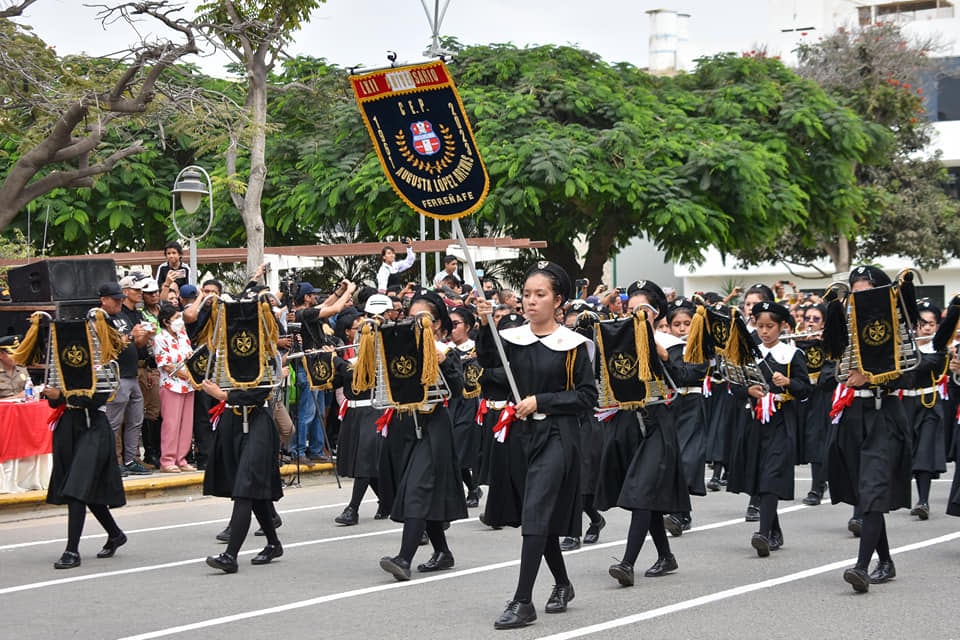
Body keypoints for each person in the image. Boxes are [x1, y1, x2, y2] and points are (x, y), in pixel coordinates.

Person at [476, 261, 597, 630]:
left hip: (557, 435)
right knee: (536, 517)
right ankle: (562, 583)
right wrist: (485, 326)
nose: (530, 301)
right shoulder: (512, 338)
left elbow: (586, 396)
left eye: (540, 294)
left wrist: (542, 401)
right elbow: (489, 366)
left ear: (558, 300)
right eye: (527, 294)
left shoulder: (573, 345)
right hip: (520, 436)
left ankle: (522, 601)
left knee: (536, 512)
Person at [824, 265, 913, 593]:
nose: (859, 301)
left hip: (883, 414)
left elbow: (907, 373)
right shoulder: (846, 326)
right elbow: (830, 370)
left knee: (873, 489)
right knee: (865, 493)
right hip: (853, 414)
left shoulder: (896, 326)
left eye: (866, 294)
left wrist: (870, 375)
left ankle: (861, 567)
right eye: (855, 294)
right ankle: (885, 561)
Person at [375, 290, 467, 582]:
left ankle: (404, 558)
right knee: (420, 488)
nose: (414, 322)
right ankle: (442, 551)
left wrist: (441, 361)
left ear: (437, 324)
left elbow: (458, 388)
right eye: (411, 317)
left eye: (422, 318)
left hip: (433, 424)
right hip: (405, 424)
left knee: (418, 487)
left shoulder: (446, 352)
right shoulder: (400, 348)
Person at [606, 280, 688, 587]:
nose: (635, 314)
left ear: (656, 313)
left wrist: (663, 357)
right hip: (631, 421)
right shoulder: (619, 338)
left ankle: (627, 563)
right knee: (645, 494)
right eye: (630, 309)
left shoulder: (670, 343)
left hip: (659, 422)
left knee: (641, 491)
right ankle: (666, 555)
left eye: (642, 309)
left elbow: (686, 377)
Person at [727, 300, 810, 557]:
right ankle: (774, 530)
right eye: (760, 326)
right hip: (755, 422)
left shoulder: (792, 354)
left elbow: (806, 389)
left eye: (770, 326)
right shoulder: (750, 354)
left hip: (781, 420)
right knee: (759, 473)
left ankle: (763, 533)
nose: (764, 331)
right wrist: (748, 391)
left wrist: (788, 382)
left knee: (771, 474)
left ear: (782, 326)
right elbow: (734, 386)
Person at [100, 280, 152, 476]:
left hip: (131, 374)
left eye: (120, 299)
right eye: (115, 300)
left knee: (135, 420)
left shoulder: (121, 315)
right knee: (113, 422)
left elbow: (135, 344)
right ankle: (112, 461)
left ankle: (130, 460)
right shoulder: (100, 317)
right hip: (116, 376)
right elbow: (108, 345)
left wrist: (144, 335)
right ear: (103, 300)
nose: (119, 303)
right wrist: (131, 335)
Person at [153, 302, 196, 473]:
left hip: (188, 385)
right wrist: (187, 375)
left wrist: (193, 376)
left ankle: (181, 458)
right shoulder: (160, 338)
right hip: (171, 385)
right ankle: (167, 460)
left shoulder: (183, 335)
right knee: (171, 423)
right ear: (166, 321)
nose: (180, 320)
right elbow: (166, 364)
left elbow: (190, 356)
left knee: (186, 424)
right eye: (176, 317)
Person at [138, 277, 163, 469]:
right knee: (149, 411)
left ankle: (160, 450)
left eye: (156, 292)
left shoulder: (163, 310)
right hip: (150, 365)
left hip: (167, 363)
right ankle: (150, 452)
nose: (153, 296)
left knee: (160, 411)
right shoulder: (141, 315)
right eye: (149, 293)